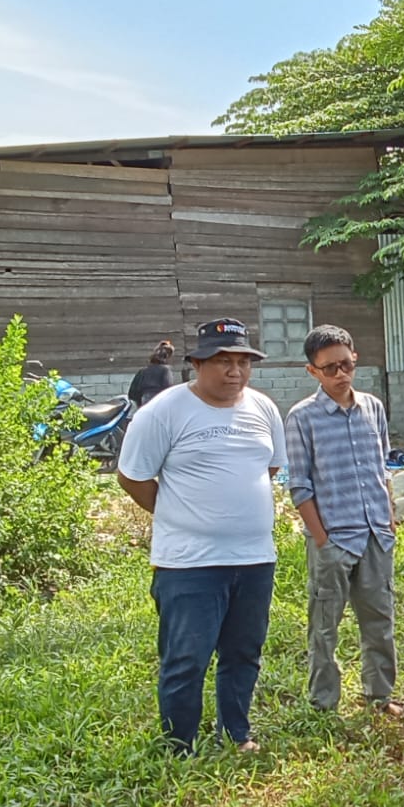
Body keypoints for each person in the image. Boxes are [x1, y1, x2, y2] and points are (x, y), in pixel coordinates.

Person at [117, 318, 285, 754]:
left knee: (244, 652)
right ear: (196, 364)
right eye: (223, 361)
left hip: (254, 559)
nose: (235, 371)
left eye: (243, 362)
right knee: (186, 659)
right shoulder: (163, 412)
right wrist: (182, 514)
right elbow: (132, 477)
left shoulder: (264, 408)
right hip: (189, 563)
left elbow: (269, 468)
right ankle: (180, 746)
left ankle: (236, 734)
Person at [285, 325, 404, 718]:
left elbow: (382, 468)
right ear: (312, 371)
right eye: (330, 369)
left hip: (375, 534)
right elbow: (299, 486)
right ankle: (324, 703)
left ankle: (380, 695)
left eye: (346, 365)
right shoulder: (302, 418)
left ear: (355, 358)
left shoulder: (372, 408)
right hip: (334, 540)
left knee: (380, 620)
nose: (341, 374)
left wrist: (389, 517)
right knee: (324, 626)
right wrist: (321, 539)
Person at [128, 340, 177, 407]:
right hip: (159, 401)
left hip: (145, 401)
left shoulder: (142, 371)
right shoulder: (165, 370)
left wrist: (139, 404)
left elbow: (133, 393)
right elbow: (168, 389)